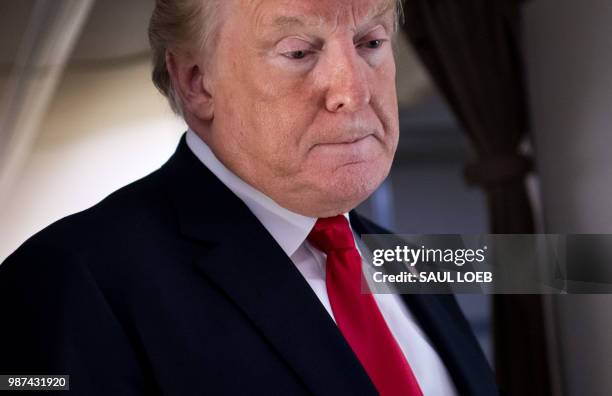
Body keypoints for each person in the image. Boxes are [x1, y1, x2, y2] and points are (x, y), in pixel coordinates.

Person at [0, 0, 498, 395]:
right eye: (299, 51)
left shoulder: (407, 263)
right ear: (196, 83)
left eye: (370, 41)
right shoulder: (67, 280)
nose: (353, 89)